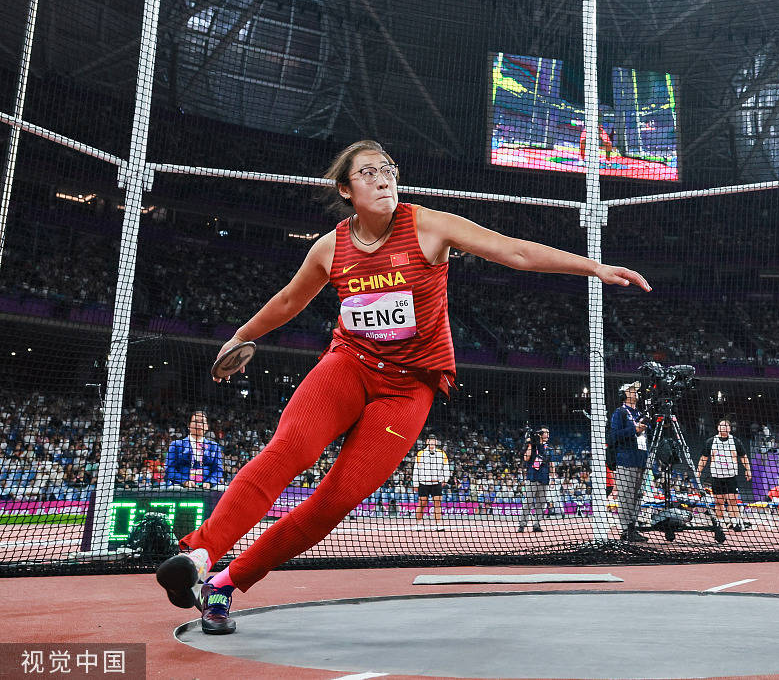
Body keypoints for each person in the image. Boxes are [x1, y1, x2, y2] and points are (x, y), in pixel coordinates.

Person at [154, 139, 651, 634]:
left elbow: (515, 252)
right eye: (367, 173)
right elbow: (288, 301)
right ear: (345, 189)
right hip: (350, 363)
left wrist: (594, 267)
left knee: (335, 501)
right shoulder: (330, 248)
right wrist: (241, 336)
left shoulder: (428, 226)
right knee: (289, 449)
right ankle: (199, 556)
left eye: (387, 168)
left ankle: (226, 583)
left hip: (409, 388)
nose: (382, 177)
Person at [607, 381, 649, 542]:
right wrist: (634, 430)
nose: (635, 393)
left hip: (642, 460)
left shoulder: (640, 413)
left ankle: (633, 527)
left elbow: (647, 436)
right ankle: (626, 529)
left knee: (638, 496)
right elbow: (614, 436)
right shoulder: (620, 413)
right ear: (623, 394)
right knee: (626, 496)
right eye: (631, 390)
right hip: (626, 460)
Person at [696, 419, 751, 531]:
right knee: (718, 502)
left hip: (731, 476)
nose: (724, 427)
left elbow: (743, 457)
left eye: (726, 426)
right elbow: (704, 458)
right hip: (716, 476)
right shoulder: (711, 441)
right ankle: (720, 524)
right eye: (721, 425)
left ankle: (735, 523)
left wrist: (748, 470)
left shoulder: (735, 441)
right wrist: (698, 471)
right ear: (718, 428)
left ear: (730, 428)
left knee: (732, 500)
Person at [164, 411, 224, 490]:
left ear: (206, 427)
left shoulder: (214, 446)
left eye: (202, 422)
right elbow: (169, 469)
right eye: (196, 421)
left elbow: (218, 470)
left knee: (223, 489)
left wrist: (210, 482)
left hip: (207, 488)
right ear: (189, 425)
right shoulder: (176, 445)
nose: (199, 424)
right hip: (182, 487)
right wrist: (184, 481)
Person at [412, 433, 450, 531]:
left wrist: (445, 479)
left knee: (437, 503)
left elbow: (446, 468)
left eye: (434, 440)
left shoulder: (442, 454)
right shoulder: (420, 454)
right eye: (430, 440)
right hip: (423, 483)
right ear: (427, 442)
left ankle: (438, 524)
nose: (432, 442)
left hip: (436, 483)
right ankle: (418, 523)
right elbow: (416, 469)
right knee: (422, 503)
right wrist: (415, 483)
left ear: (436, 442)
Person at [518, 427, 551, 533]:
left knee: (541, 504)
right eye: (546, 433)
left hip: (544, 479)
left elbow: (549, 463)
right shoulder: (533, 446)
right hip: (532, 478)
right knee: (528, 502)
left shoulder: (547, 447)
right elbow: (526, 458)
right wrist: (530, 444)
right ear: (540, 434)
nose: (548, 435)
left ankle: (536, 524)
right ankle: (522, 525)